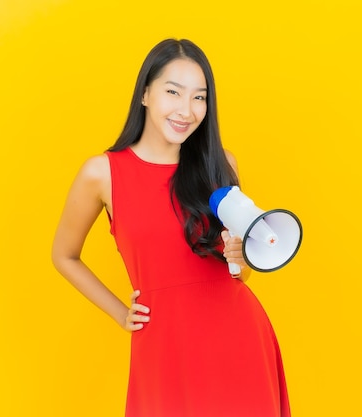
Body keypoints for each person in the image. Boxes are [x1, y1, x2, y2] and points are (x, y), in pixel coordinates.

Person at [51, 38, 291, 417]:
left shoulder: (220, 164)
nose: (187, 109)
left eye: (199, 97)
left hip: (238, 339)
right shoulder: (102, 173)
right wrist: (119, 312)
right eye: (173, 92)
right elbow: (63, 255)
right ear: (145, 93)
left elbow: (240, 275)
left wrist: (240, 257)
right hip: (163, 347)